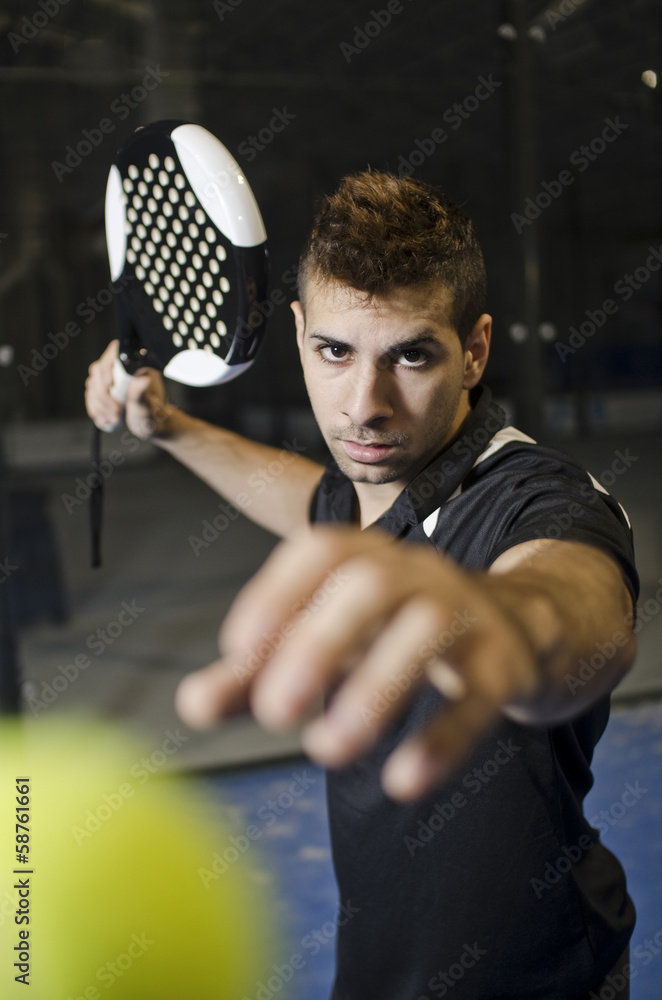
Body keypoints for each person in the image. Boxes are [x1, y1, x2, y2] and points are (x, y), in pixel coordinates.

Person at [86, 170, 638, 999]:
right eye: (335, 352)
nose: (364, 406)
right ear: (299, 333)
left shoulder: (539, 499)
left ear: (475, 350)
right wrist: (167, 425)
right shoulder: (363, 493)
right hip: (377, 968)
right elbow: (307, 498)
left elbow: (575, 601)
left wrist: (503, 623)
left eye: (410, 355)